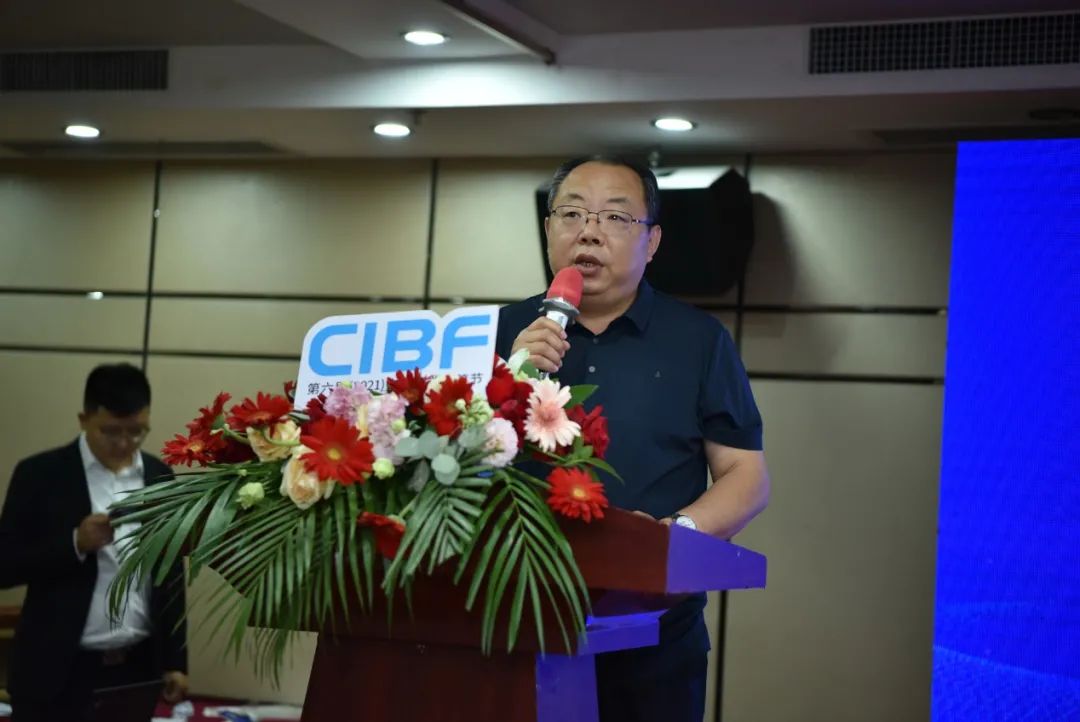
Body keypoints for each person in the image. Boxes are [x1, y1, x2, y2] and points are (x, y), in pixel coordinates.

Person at [495, 156, 770, 722]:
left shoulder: (698, 340)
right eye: (571, 213)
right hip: (511, 622)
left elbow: (746, 476)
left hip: (654, 636)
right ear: (548, 228)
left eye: (616, 218)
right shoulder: (498, 332)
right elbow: (449, 464)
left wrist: (671, 538)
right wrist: (507, 373)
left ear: (653, 241)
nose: (589, 231)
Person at [0, 363, 188, 722]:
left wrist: (176, 660)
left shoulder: (159, 477)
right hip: (55, 671)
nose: (124, 443)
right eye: (111, 431)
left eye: (137, 432)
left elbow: (171, 574)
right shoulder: (40, 474)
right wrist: (75, 543)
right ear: (84, 419)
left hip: (135, 667)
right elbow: (4, 566)